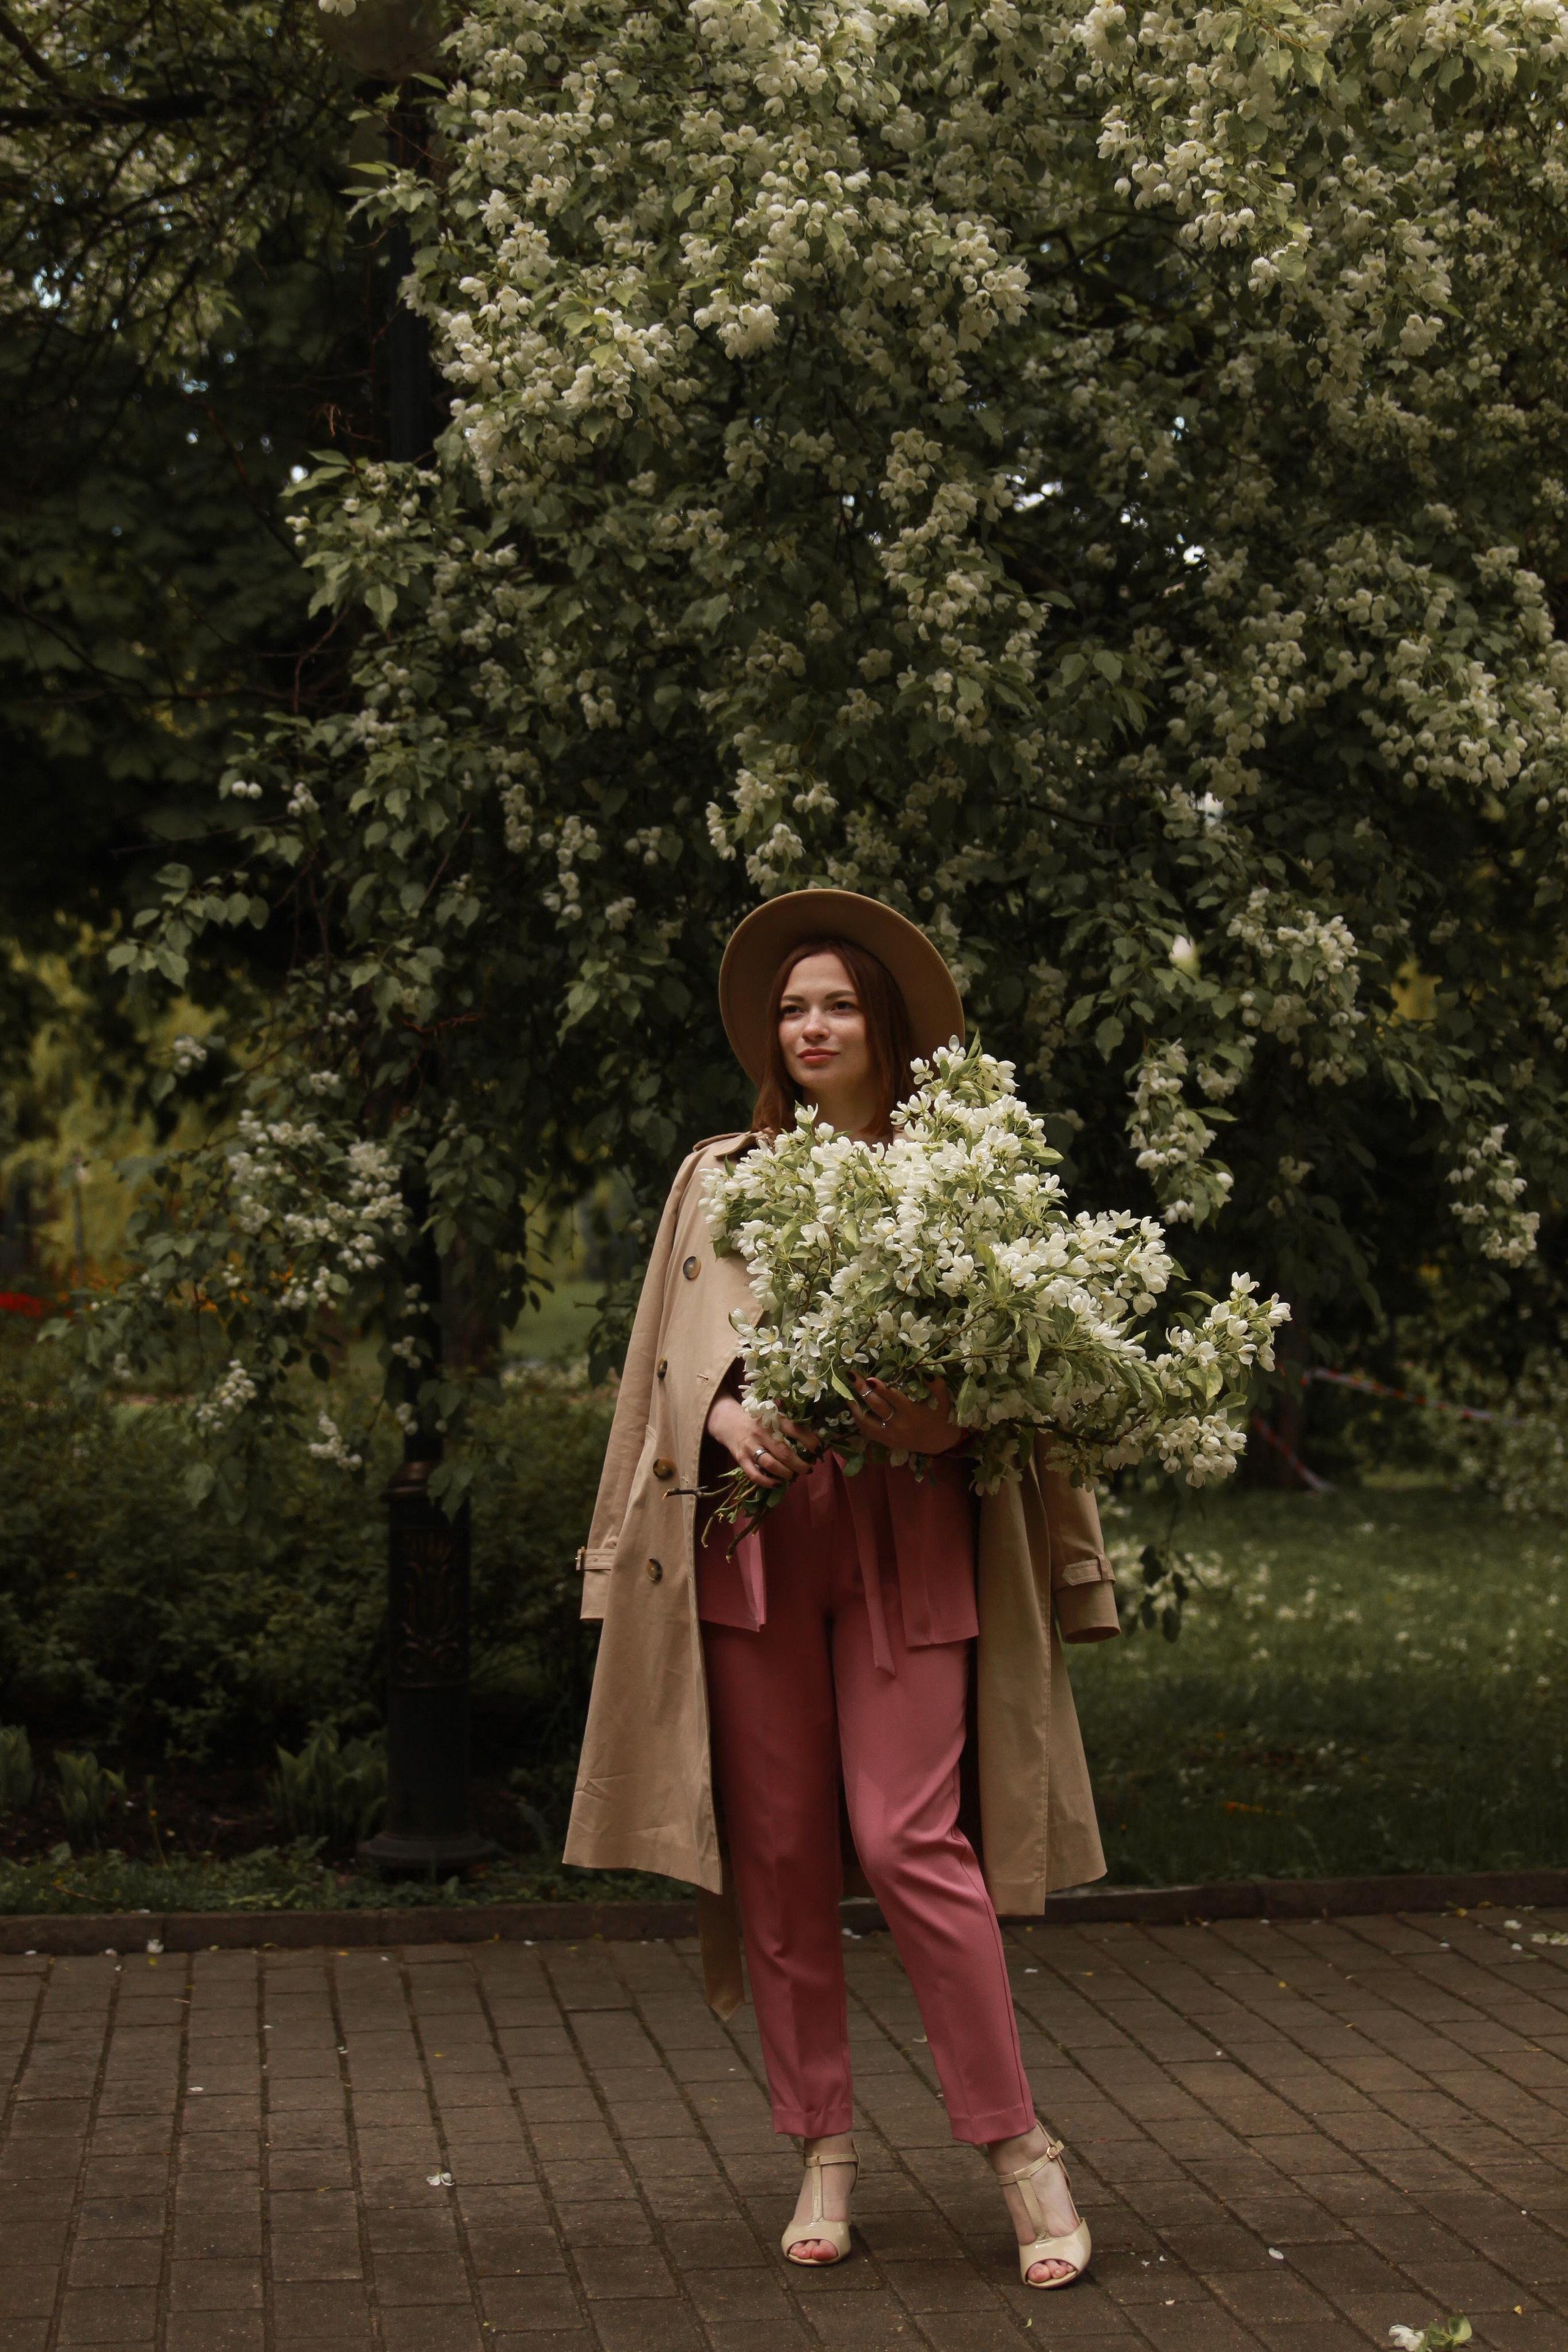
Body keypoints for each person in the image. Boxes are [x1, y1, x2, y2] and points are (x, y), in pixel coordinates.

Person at [564, 889, 1121, 2289]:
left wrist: (944, 1422)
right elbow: (656, 1372)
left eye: (839, 1005)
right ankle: (820, 2146)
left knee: (904, 1841)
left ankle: (1018, 2150)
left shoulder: (958, 1179)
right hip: (746, 1552)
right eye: (793, 1007)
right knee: (780, 1856)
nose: (811, 1026)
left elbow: (1027, 1383)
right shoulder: (715, 1176)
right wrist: (713, 1424)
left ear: (885, 1029)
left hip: (912, 1548)